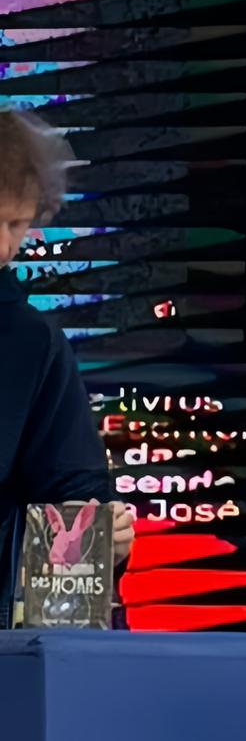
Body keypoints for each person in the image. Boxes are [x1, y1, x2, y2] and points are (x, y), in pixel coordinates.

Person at [0, 109, 132, 621]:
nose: (4, 246)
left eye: (17, 224)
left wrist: (103, 539)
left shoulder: (32, 342)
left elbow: (73, 497)